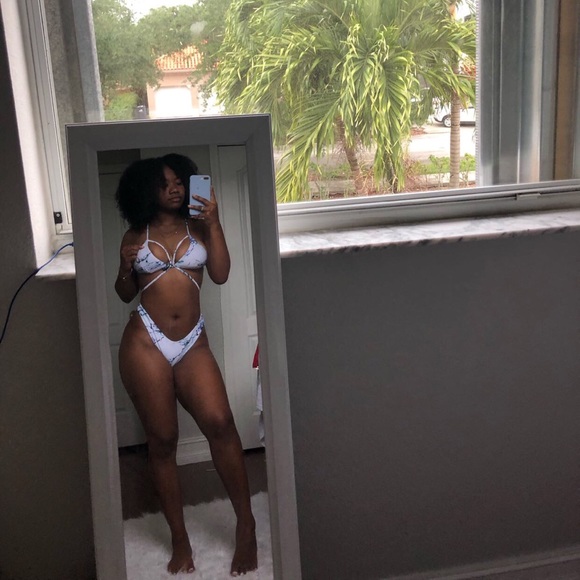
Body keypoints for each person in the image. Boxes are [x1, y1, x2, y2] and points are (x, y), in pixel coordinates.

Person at [114, 153, 257, 576]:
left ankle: (246, 525)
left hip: (193, 342)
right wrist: (125, 266)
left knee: (221, 423)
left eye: (179, 181)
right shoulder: (135, 234)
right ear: (147, 191)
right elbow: (125, 293)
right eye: (164, 184)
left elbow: (221, 274)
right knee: (162, 440)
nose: (174, 189)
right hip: (145, 341)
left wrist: (214, 223)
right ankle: (180, 539)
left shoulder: (199, 227)